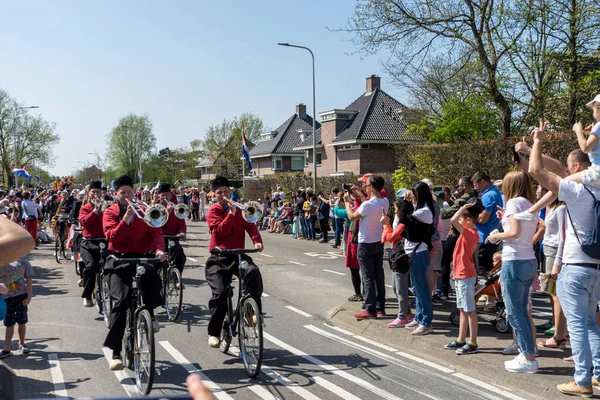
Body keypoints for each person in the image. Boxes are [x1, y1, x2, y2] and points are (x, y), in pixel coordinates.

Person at [527, 120, 600, 395]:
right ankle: (598, 376)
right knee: (591, 322)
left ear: (579, 167)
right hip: (596, 267)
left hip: (576, 267)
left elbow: (536, 170)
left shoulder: (578, 191)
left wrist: (537, 140)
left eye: (570, 168)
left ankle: (582, 380)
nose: (567, 172)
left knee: (578, 325)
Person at [102, 175, 166, 371]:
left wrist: (159, 250)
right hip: (118, 261)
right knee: (120, 302)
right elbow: (111, 236)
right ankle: (115, 353)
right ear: (116, 195)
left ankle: (150, 313)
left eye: (130, 192)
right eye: (122, 193)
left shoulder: (144, 211)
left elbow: (156, 232)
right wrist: (127, 217)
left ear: (134, 192)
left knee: (153, 278)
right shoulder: (110, 212)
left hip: (141, 257)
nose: (127, 195)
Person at [487, 170, 539, 373]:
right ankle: (527, 353)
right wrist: (504, 219)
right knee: (523, 312)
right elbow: (521, 229)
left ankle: (528, 358)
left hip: (514, 261)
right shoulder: (529, 203)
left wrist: (496, 236)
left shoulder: (514, 203)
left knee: (515, 313)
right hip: (528, 260)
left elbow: (514, 233)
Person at [205, 176, 264, 348]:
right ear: (214, 194)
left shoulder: (241, 208)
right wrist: (231, 215)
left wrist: (257, 241)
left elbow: (251, 225)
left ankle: (251, 312)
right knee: (221, 294)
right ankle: (214, 332)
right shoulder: (213, 211)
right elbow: (219, 233)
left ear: (231, 191)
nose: (223, 195)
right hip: (219, 257)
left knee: (253, 273)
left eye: (226, 191)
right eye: (219, 193)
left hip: (238, 255)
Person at [345, 175, 389, 320]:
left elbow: (352, 217)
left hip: (365, 243)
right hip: (378, 241)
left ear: (371, 187)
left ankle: (370, 308)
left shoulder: (368, 205)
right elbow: (368, 206)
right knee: (378, 274)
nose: (365, 187)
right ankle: (380, 306)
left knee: (368, 276)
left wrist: (347, 203)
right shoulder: (385, 201)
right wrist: (361, 195)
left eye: (366, 185)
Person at [444, 202, 480, 354]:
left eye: (462, 219)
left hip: (466, 275)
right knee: (462, 309)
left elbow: (452, 219)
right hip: (460, 274)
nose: (459, 221)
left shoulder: (470, 234)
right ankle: (461, 339)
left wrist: (463, 208)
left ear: (469, 221)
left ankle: (473, 342)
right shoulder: (465, 233)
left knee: (470, 310)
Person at [399, 182, 435, 335]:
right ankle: (419, 317)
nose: (410, 195)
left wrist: (405, 203)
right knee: (416, 288)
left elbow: (403, 219)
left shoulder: (425, 211)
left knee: (422, 290)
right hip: (414, 252)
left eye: (413, 193)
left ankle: (426, 322)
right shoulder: (419, 209)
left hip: (419, 253)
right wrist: (408, 203)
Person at [381, 200, 413, 327]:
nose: (395, 212)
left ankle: (402, 317)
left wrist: (385, 225)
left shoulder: (404, 224)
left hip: (401, 257)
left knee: (401, 289)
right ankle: (407, 313)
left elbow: (391, 237)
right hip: (397, 256)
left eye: (396, 209)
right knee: (396, 287)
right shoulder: (401, 222)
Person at [78, 181, 106, 307]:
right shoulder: (85, 208)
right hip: (88, 242)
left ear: (102, 193)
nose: (96, 194)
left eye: (98, 192)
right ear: (89, 194)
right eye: (93, 192)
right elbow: (84, 222)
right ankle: (87, 294)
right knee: (91, 265)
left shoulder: (107, 206)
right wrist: (94, 211)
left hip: (104, 242)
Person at [0, 257, 34, 359]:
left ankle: (22, 343)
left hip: (21, 296)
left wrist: (29, 296)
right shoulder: (3, 261)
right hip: (6, 298)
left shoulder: (24, 262)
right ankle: (7, 348)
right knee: (9, 323)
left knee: (21, 321)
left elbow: (29, 279)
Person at [472, 171, 504, 275]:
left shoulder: (489, 195)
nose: (475, 188)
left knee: (483, 272)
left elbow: (482, 219)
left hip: (484, 239)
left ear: (483, 181)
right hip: (490, 237)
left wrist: (469, 218)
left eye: (476, 185)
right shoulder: (495, 192)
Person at [333, 196, 361, 301]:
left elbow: (336, 211)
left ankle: (358, 294)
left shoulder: (352, 211)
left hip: (353, 237)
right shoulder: (368, 207)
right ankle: (368, 292)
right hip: (366, 239)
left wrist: (338, 202)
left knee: (354, 268)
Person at [157, 183, 187, 274]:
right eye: (163, 195)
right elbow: (154, 225)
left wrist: (182, 233)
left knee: (180, 255)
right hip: (158, 239)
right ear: (159, 196)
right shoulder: (154, 208)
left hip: (172, 239)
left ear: (170, 196)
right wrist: (167, 213)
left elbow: (181, 224)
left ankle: (176, 277)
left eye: (167, 194)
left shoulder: (176, 208)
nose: (165, 197)